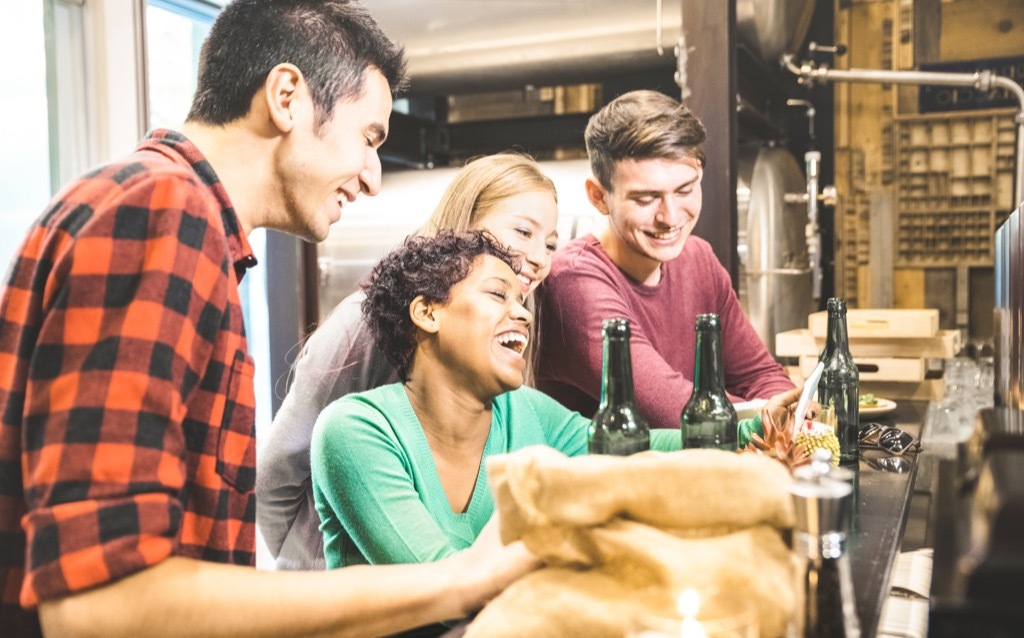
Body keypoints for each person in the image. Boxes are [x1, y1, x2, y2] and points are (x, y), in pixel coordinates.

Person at [0, 2, 537, 637]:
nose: (371, 178)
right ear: (287, 97)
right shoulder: (163, 211)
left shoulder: (169, 214)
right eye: (369, 137)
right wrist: (462, 579)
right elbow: (101, 606)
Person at [310, 231, 685, 574]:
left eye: (522, 301)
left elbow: (633, 446)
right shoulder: (355, 431)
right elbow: (445, 586)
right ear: (427, 313)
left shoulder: (527, 411)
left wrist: (740, 432)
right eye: (497, 294)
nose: (523, 314)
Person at [257, 152, 560, 571]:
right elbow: (276, 477)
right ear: (465, 223)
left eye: (550, 244)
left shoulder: (503, 339)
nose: (540, 256)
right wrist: (310, 570)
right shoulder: (360, 324)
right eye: (523, 231)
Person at [536, 90, 796, 430]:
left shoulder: (698, 259)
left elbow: (760, 375)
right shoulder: (572, 283)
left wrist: (791, 410)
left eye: (685, 190)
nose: (670, 217)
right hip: (605, 481)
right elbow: (669, 410)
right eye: (646, 198)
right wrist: (773, 414)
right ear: (599, 197)